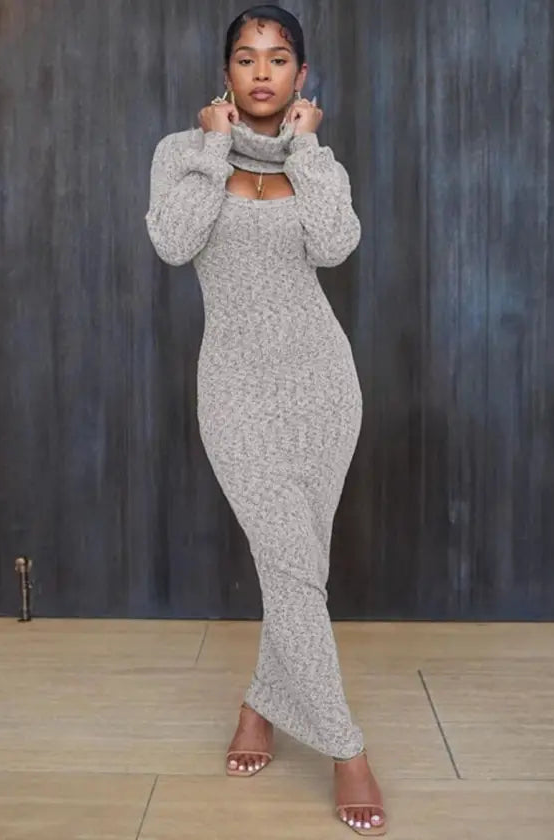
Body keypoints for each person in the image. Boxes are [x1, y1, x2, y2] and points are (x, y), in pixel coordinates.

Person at [145, 5, 386, 835]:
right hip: (237, 392)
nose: (260, 72)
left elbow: (335, 245)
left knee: (298, 571)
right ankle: (347, 749)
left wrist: (307, 149)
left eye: (278, 59)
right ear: (226, 72)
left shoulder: (319, 162)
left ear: (300, 76)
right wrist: (215, 148)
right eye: (245, 57)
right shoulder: (182, 153)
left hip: (324, 387)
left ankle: (259, 705)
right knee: (289, 565)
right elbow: (174, 242)